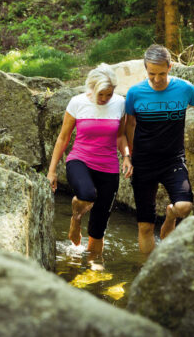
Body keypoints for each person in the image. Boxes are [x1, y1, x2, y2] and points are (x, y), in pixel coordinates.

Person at [125, 44, 194, 254]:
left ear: (170, 67)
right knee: (145, 226)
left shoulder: (184, 88)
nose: (157, 79)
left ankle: (170, 216)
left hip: (173, 161)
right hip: (143, 163)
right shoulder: (135, 93)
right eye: (151, 74)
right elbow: (129, 125)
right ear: (145, 69)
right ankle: (147, 274)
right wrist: (129, 155)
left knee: (184, 207)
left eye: (161, 73)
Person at [47, 64, 133, 256]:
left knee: (99, 224)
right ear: (91, 88)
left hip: (109, 167)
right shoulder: (77, 103)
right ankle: (76, 218)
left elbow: (120, 137)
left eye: (108, 95)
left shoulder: (120, 103)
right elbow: (63, 137)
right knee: (86, 193)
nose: (104, 99)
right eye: (100, 94)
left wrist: (126, 156)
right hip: (80, 160)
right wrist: (52, 170)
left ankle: (94, 262)